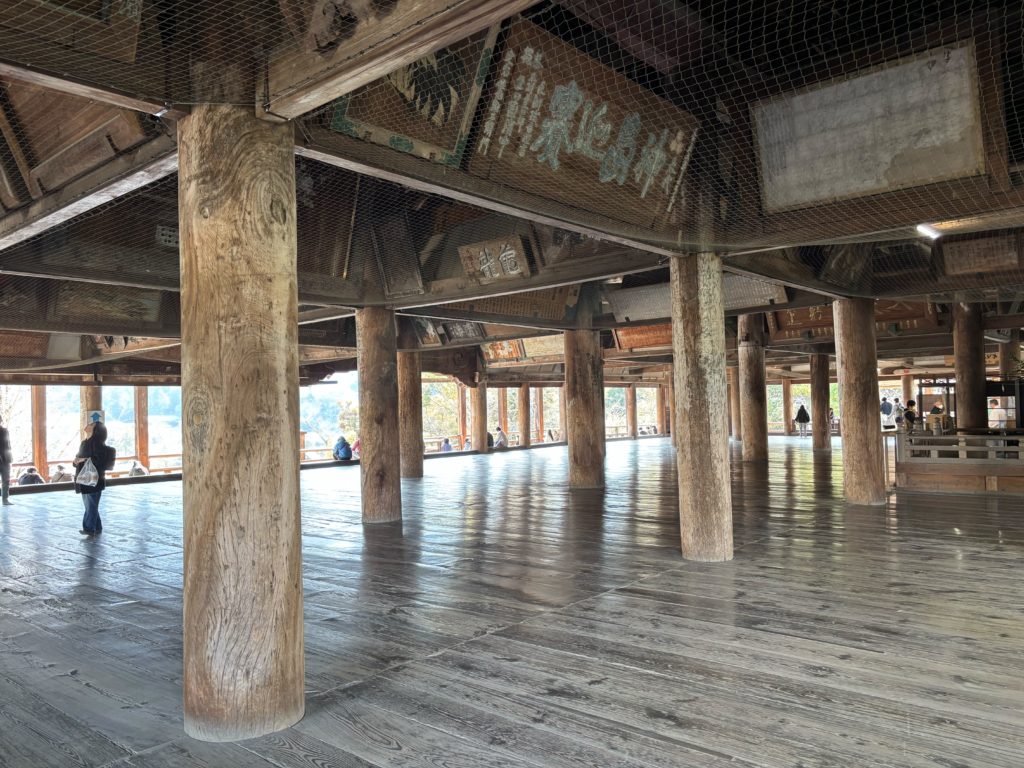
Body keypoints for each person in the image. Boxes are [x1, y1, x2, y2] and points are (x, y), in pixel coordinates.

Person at [73, 422, 116, 537]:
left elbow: (98, 460)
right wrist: (76, 461)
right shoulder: (84, 443)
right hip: (84, 478)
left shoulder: (98, 444)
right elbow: (79, 457)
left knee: (90, 505)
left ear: (96, 430)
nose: (87, 425)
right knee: (91, 505)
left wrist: (84, 459)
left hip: (94, 479)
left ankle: (88, 528)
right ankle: (97, 527)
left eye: (91, 425)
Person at [0, 417, 11, 505]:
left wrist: (9, 458)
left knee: (6, 480)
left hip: (6, 459)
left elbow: (8, 445)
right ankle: (5, 500)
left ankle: (5, 500)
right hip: (4, 458)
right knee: (5, 480)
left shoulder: (4, 431)